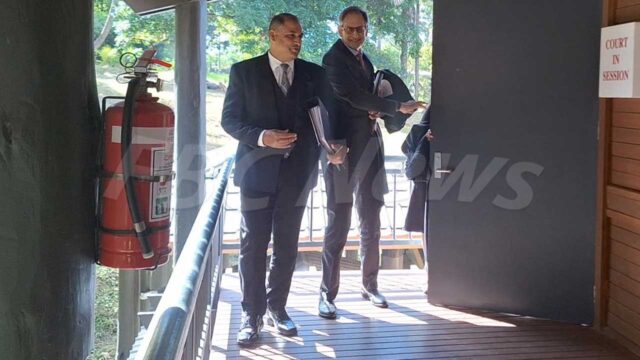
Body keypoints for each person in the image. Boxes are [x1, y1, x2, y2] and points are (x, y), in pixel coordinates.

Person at [221, 13, 344, 346]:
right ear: (272, 35)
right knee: (253, 246)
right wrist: (262, 137)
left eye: (300, 36)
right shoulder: (243, 71)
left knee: (287, 246)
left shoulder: (314, 74)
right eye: (290, 35)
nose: (297, 41)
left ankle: (278, 308)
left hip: (298, 175)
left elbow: (329, 117)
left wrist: (335, 146)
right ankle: (251, 315)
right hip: (255, 175)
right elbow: (230, 121)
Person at [318, 6, 426, 319]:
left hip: (371, 148)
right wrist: (394, 106)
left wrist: (380, 110)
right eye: (349, 29)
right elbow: (351, 96)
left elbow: (364, 100)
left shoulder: (365, 60)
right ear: (339, 29)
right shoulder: (332, 60)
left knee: (372, 218)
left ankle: (370, 285)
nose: (355, 34)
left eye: (360, 29)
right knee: (338, 220)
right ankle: (327, 294)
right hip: (343, 150)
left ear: (367, 30)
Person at [402, 106, 433, 294]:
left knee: (427, 235)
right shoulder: (421, 131)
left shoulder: (417, 131)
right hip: (434, 186)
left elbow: (411, 168)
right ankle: (432, 277)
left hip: (424, 188)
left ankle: (430, 277)